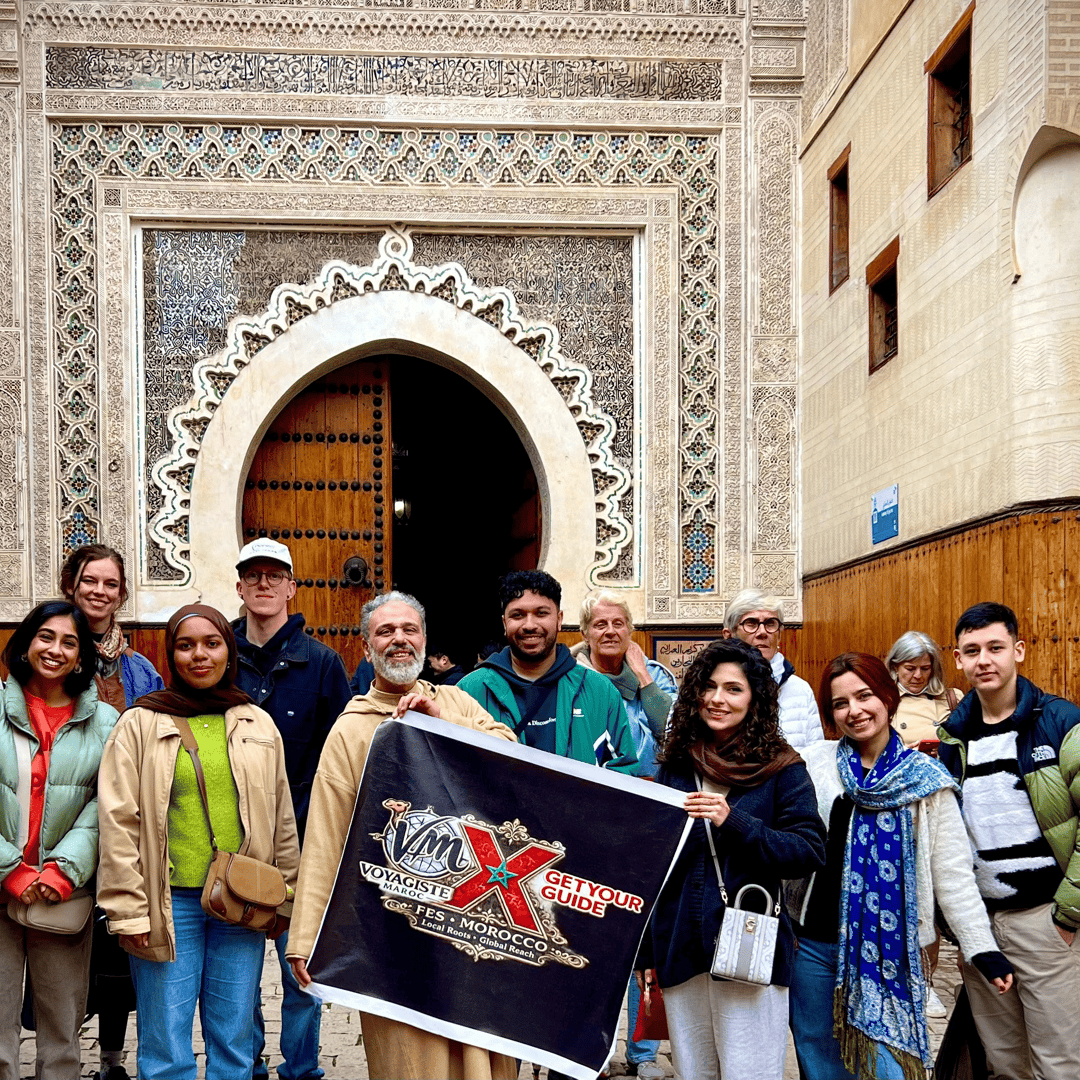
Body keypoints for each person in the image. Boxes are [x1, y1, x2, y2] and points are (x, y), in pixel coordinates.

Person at [286, 591, 518, 1080]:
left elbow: (510, 759)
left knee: (483, 1053)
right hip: (392, 924)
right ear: (367, 647)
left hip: (470, 916)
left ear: (425, 640)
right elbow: (327, 836)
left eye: (409, 630)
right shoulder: (350, 731)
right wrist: (305, 938)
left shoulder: (456, 701)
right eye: (385, 631)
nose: (399, 640)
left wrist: (444, 727)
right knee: (411, 1058)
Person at [97, 604, 300, 1080]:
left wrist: (285, 897)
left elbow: (281, 816)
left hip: (241, 902)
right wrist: (128, 909)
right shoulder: (140, 724)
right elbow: (118, 820)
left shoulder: (255, 721)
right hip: (168, 906)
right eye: (186, 646)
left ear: (229, 652)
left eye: (212, 643)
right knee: (166, 1042)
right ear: (171, 654)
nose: (200, 655)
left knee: (234, 1039)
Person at [789, 652, 1013, 1080]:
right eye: (840, 703)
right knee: (819, 1059)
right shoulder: (814, 764)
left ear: (888, 697)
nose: (854, 711)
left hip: (892, 953)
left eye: (865, 695)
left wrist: (981, 947)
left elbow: (953, 876)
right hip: (813, 946)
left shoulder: (926, 781)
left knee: (887, 1066)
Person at [635, 638, 826, 1080]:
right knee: (693, 1071)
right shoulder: (679, 764)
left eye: (734, 689)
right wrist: (648, 950)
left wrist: (733, 820)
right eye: (709, 686)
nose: (718, 699)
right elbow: (655, 864)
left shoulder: (782, 766)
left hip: (749, 950)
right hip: (682, 947)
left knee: (749, 1072)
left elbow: (807, 850)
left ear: (755, 699)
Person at [938, 602, 1080, 1080]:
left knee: (1059, 1065)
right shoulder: (952, 739)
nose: (985, 660)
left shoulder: (1059, 721)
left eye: (996, 648)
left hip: (1046, 924)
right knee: (1002, 1065)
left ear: (1017, 650)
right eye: (972, 651)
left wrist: (1068, 914)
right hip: (981, 929)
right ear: (958, 659)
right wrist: (960, 926)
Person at [231, 538, 352, 1080]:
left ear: (291, 587)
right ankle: (248, 1061)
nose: (263, 583)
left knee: (300, 963)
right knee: (239, 968)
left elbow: (341, 752)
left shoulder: (323, 663)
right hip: (230, 840)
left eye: (274, 575)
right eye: (253, 575)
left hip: (305, 839)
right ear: (239, 587)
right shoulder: (217, 653)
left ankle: (302, 1067)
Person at [0, 600, 119, 1079]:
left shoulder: (105, 723)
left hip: (60, 892)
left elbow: (106, 804)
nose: (55, 650)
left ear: (81, 655)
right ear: (26, 643)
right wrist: (12, 869)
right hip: (2, 881)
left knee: (62, 1033)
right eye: (46, 637)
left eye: (69, 642)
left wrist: (64, 869)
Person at [60, 543, 164, 1080]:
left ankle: (112, 1061)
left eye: (110, 583)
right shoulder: (53, 653)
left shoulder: (140, 669)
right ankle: (62, 1054)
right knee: (65, 942)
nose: (99, 592)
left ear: (122, 594)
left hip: (125, 825)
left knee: (120, 941)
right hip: (62, 822)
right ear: (70, 585)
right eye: (89, 581)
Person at [571, 590, 675, 1080]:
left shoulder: (658, 678)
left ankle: (644, 1054)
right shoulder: (569, 684)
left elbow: (678, 737)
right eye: (600, 624)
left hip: (649, 824)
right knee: (591, 938)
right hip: (590, 826)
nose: (610, 631)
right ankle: (591, 1047)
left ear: (631, 629)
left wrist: (645, 683)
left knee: (645, 942)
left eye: (619, 623)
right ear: (585, 631)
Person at [458, 570, 638, 773]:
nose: (529, 625)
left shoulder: (599, 691)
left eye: (541, 613)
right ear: (504, 623)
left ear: (559, 619)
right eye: (518, 615)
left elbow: (623, 769)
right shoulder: (470, 690)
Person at [722, 588, 824, 749]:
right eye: (751, 624)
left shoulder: (800, 690)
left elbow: (816, 757)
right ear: (729, 635)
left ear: (779, 634)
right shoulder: (705, 687)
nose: (762, 632)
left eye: (770, 624)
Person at [885, 630, 959, 750]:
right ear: (895, 667)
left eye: (925, 668)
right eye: (910, 669)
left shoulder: (953, 697)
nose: (918, 675)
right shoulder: (883, 701)